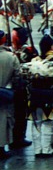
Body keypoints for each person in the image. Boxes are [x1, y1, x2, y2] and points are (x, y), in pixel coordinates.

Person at [0, 31, 20, 160]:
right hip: (4, 91)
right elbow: (17, 76)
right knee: (2, 120)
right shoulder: (11, 56)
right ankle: (1, 148)